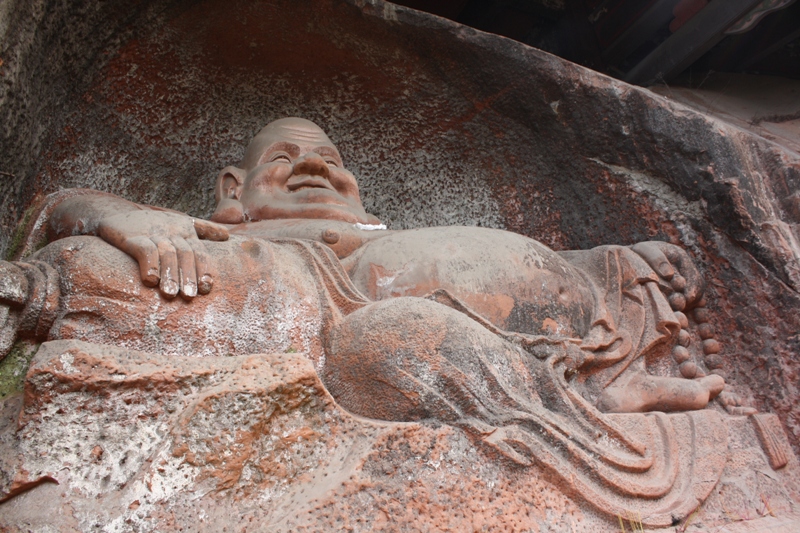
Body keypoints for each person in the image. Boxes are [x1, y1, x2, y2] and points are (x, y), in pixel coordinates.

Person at [0, 117, 733, 516]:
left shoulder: (393, 236)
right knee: (103, 272)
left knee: (400, 336)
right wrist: (127, 219)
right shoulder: (217, 231)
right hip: (274, 300)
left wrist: (610, 266)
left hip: (433, 333)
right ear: (236, 184)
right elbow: (65, 204)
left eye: (330, 157)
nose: (314, 165)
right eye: (285, 157)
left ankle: (589, 399)